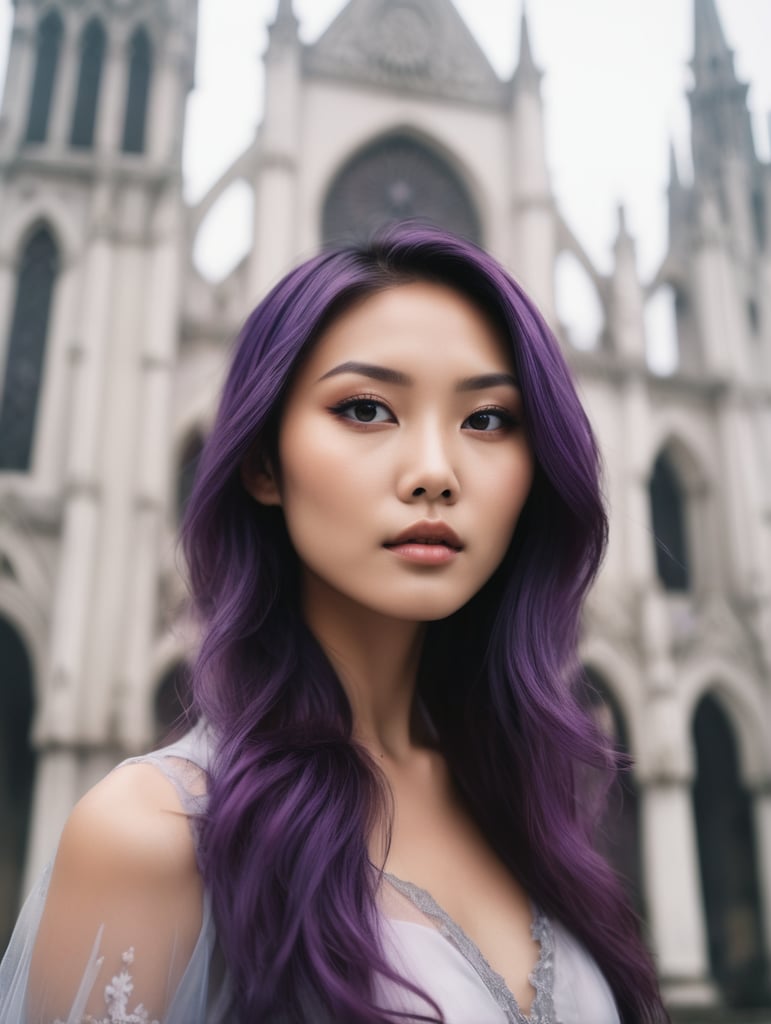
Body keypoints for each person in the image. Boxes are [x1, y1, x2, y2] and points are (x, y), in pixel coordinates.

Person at [0, 224, 669, 1023]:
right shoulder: (154, 837)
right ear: (261, 462)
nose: (434, 473)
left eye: (487, 420)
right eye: (365, 408)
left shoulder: (525, 800)